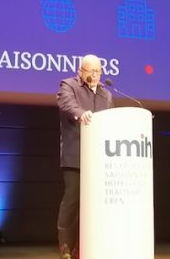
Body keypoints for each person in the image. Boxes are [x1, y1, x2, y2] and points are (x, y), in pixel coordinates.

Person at [56, 54, 114, 259]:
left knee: (94, 205)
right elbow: (67, 104)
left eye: (99, 71)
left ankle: (87, 246)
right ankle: (66, 246)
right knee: (72, 201)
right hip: (76, 156)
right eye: (92, 71)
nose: (96, 75)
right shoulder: (69, 85)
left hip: (99, 160)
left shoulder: (106, 95)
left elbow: (111, 121)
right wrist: (81, 113)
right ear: (81, 71)